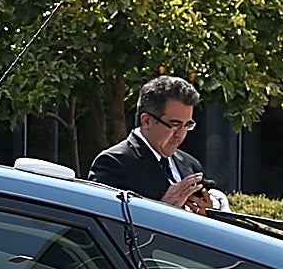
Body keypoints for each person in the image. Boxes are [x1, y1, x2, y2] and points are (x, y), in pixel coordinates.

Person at [90, 76, 212, 209]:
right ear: (146, 121)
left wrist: (206, 214)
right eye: (174, 125)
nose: (181, 134)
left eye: (187, 125)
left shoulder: (191, 165)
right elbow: (105, 222)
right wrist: (164, 208)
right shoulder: (113, 163)